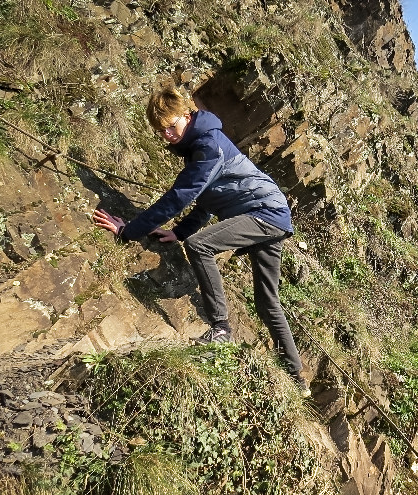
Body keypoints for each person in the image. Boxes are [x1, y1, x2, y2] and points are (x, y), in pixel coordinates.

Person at [93, 86, 309, 395]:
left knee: (200, 246)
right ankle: (296, 378)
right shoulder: (201, 144)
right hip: (272, 215)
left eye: (171, 125)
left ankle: (221, 329)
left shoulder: (208, 145)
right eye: (161, 130)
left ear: (186, 114)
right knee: (267, 300)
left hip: (264, 213)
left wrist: (129, 231)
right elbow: (208, 200)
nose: (167, 134)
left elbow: (181, 195)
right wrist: (178, 232)